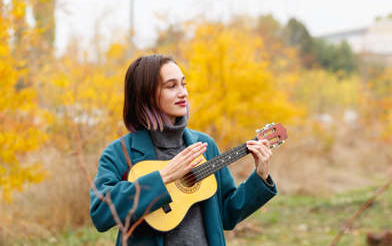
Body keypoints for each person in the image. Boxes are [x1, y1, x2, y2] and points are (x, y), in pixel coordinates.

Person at [89, 54, 277, 246]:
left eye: (183, 84)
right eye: (171, 86)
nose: (183, 93)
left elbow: (228, 214)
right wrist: (162, 177)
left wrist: (260, 177)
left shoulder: (204, 145)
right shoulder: (120, 152)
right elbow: (101, 213)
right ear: (146, 94)